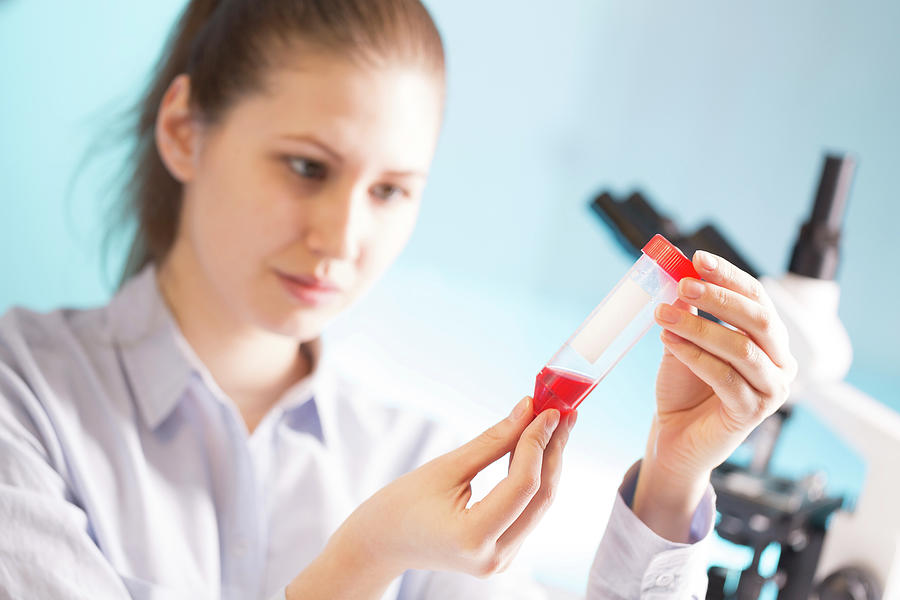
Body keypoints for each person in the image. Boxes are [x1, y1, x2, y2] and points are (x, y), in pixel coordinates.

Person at [0, 1, 798, 598]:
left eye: (389, 190)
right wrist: (362, 563)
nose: (343, 238)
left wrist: (672, 478)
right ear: (183, 131)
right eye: (306, 167)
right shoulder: (23, 399)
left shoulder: (415, 463)